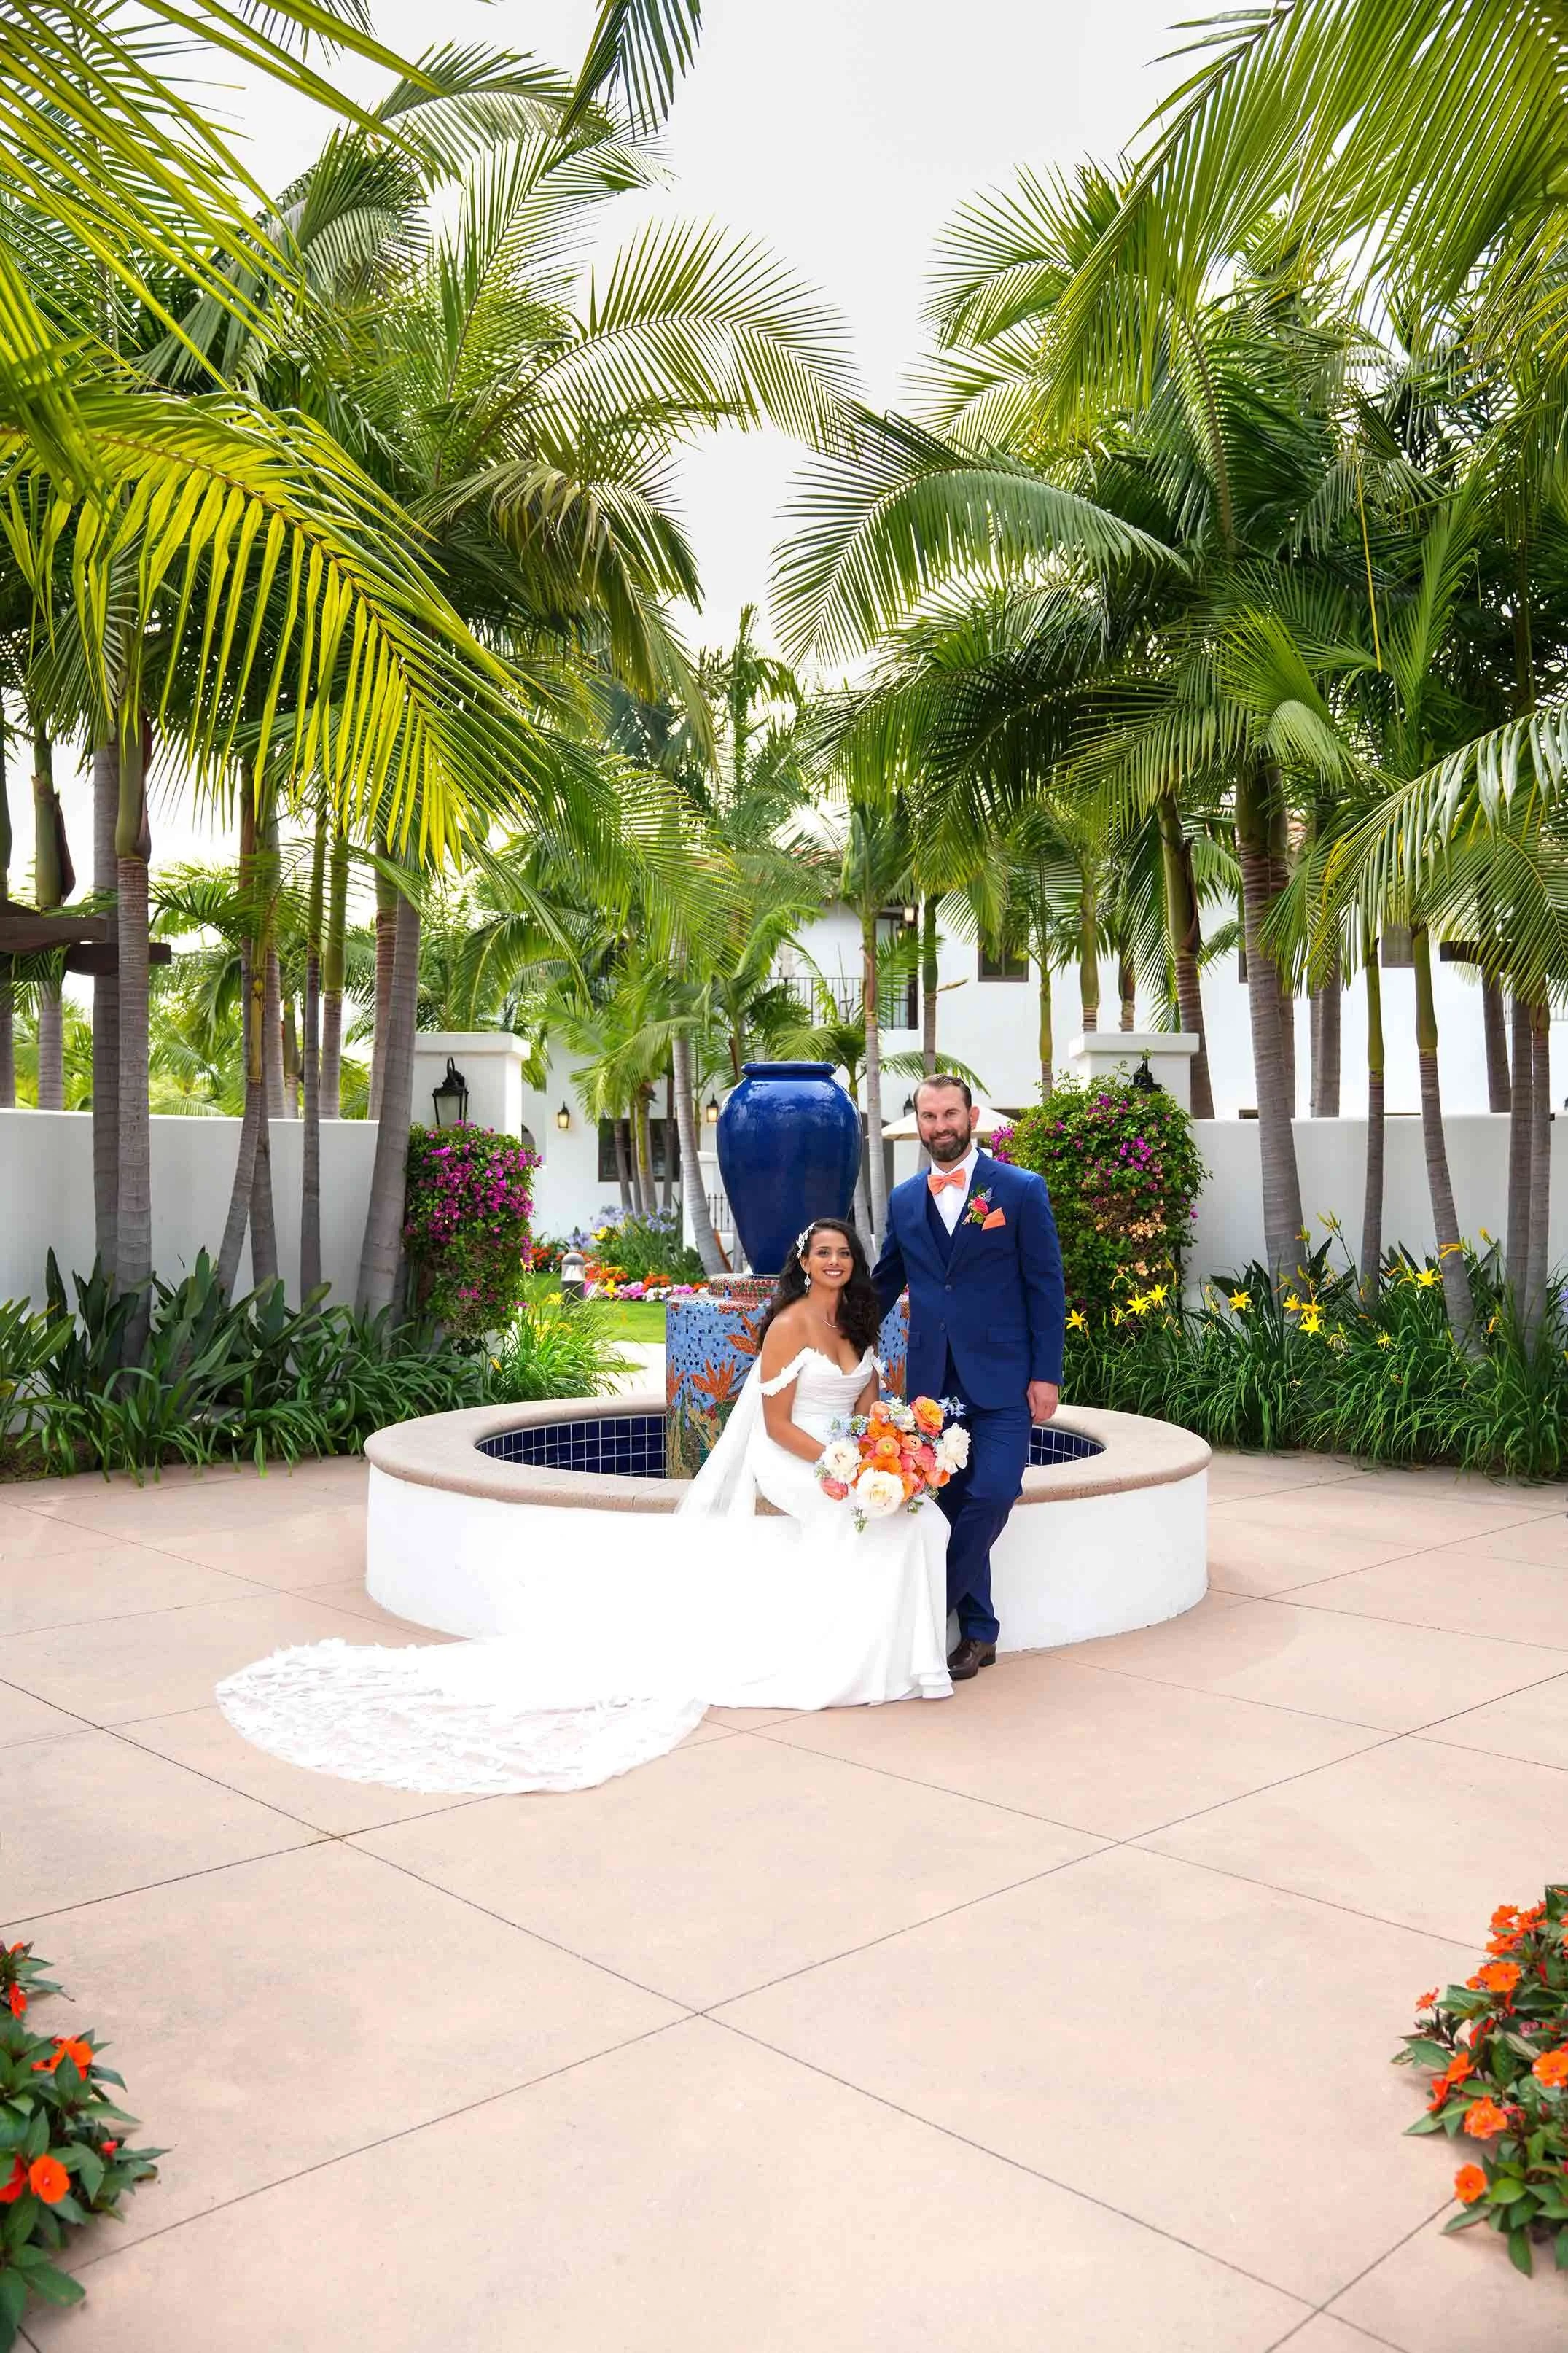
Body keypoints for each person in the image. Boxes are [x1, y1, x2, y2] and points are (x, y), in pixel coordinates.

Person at [215, 1220, 951, 1800]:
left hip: (844, 1454)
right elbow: (778, 1421)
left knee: (921, 1518)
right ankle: (836, 1661)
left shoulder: (859, 1322)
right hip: (790, 1456)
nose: (833, 1262)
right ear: (805, 1260)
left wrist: (884, 1451)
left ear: (855, 1261)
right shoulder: (789, 1323)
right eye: (822, 1252)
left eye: (842, 1253)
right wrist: (835, 1468)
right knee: (854, 1522)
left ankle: (901, 1662)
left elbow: (866, 1406)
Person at [873, 1073, 1066, 1680]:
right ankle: (977, 1634)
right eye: (928, 1117)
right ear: (918, 1123)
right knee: (950, 1503)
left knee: (993, 1491)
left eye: (949, 1114)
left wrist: (1046, 1373)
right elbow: (883, 1281)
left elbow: (1044, 1286)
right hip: (931, 1383)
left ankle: (919, 1610)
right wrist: (823, 1324)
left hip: (1006, 1379)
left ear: (972, 1115)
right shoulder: (905, 1200)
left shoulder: (1018, 1189)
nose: (940, 1127)